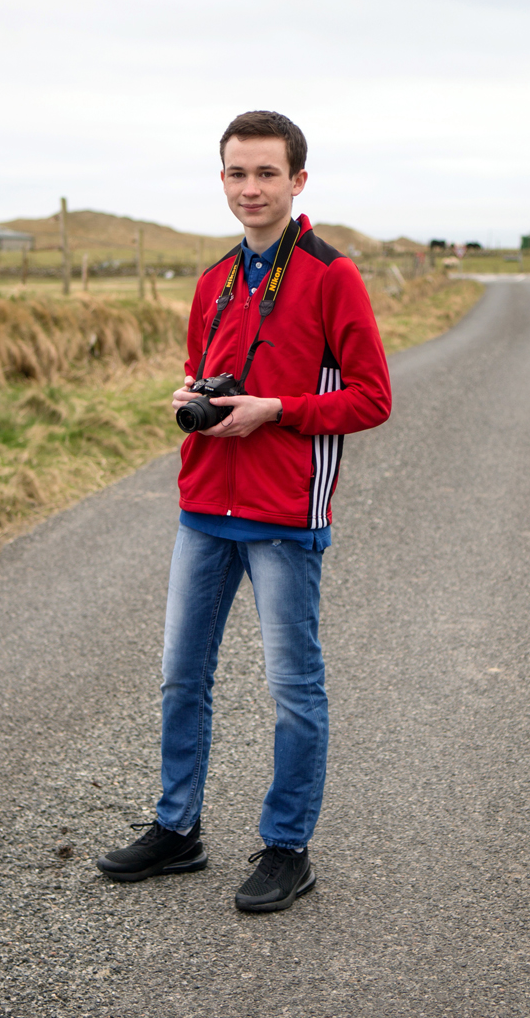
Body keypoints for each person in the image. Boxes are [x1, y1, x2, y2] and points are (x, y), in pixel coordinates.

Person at [96, 111, 393, 912]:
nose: (250, 188)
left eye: (266, 173)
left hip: (285, 516)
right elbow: (207, 376)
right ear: (221, 179)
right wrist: (194, 399)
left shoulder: (333, 277)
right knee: (178, 677)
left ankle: (287, 848)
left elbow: (373, 398)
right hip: (205, 507)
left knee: (293, 688)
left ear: (298, 181)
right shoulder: (214, 282)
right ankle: (177, 830)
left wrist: (277, 410)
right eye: (237, 173)